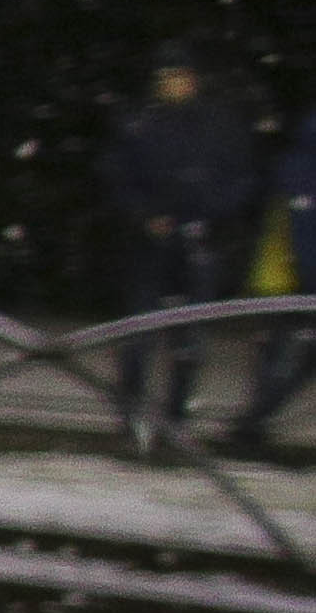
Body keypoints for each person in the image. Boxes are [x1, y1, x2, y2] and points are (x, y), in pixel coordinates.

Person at [98, 47, 261, 453]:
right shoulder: (140, 124)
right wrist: (145, 216)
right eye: (169, 76)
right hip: (151, 242)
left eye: (182, 75)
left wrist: (212, 213)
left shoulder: (218, 125)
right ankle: (131, 412)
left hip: (200, 239)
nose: (175, 83)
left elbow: (242, 178)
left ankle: (175, 418)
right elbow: (117, 177)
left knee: (190, 336)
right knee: (139, 331)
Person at [231, 94, 316, 455]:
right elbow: (299, 233)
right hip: (291, 283)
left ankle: (255, 424)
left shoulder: (293, 165)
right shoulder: (299, 171)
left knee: (284, 359)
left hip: (289, 281)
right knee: (284, 359)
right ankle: (251, 427)